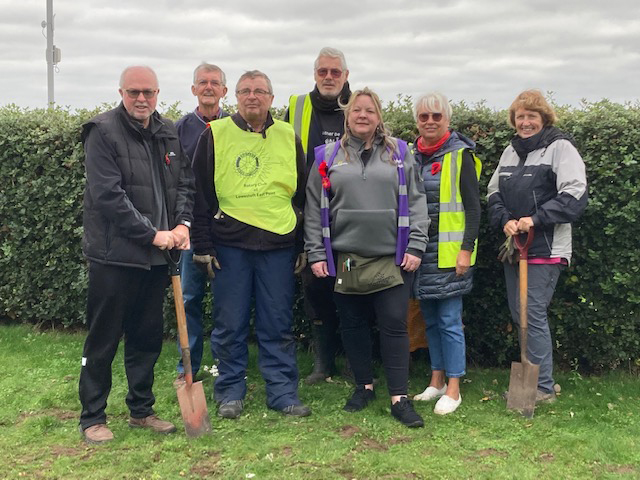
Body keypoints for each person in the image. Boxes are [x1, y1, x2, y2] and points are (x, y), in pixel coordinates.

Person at [79, 66, 195, 444]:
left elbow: (184, 185)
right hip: (115, 257)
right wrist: (152, 234)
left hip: (157, 257)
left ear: (158, 93)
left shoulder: (168, 132)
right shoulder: (102, 131)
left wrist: (182, 226)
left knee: (145, 337)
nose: (141, 99)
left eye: (148, 92)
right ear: (121, 92)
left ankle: (141, 411)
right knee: (104, 338)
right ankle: (92, 416)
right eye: (133, 92)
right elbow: (108, 195)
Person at [305, 87, 429, 428]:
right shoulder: (327, 157)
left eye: (369, 111)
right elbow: (315, 210)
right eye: (357, 110)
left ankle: (399, 398)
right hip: (347, 257)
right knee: (353, 323)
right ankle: (364, 387)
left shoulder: (401, 153)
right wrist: (316, 252)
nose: (363, 115)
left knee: (393, 322)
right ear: (347, 115)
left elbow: (418, 204)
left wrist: (416, 245)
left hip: (393, 256)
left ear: (378, 117)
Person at [191, 70, 311, 419]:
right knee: (231, 324)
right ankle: (230, 392)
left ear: (272, 99)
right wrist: (202, 245)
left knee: (278, 323)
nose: (252, 96)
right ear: (236, 98)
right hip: (230, 246)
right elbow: (199, 196)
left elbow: (302, 195)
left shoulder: (289, 136)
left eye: (260, 91)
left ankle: (283, 393)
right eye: (245, 91)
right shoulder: (214, 134)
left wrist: (302, 244)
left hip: (278, 246)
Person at [487, 89, 587, 403]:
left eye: (532, 116)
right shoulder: (509, 152)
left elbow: (574, 194)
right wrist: (505, 219)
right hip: (516, 246)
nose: (526, 122)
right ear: (514, 120)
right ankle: (540, 379)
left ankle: (542, 387)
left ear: (543, 118)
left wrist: (535, 219)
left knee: (532, 313)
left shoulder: (560, 148)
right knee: (521, 314)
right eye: (520, 116)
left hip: (546, 246)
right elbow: (493, 193)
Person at [410, 93, 481, 415]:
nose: (430, 122)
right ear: (417, 122)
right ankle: (436, 379)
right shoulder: (412, 155)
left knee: (450, 321)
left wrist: (465, 250)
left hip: (451, 256)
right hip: (420, 253)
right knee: (431, 322)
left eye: (436, 116)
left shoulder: (460, 155)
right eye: (424, 117)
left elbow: (474, 209)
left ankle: (454, 386)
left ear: (447, 121)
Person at [284, 47, 351, 384]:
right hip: (309, 215)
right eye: (323, 71)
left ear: (346, 76)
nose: (328, 77)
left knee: (355, 286)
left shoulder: (359, 107)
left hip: (351, 216)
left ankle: (355, 362)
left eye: (335, 72)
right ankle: (324, 364)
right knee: (316, 286)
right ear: (315, 74)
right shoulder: (296, 107)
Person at [174, 63, 229, 384]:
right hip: (190, 228)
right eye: (202, 83)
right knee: (190, 300)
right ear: (194, 89)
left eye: (215, 83)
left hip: (227, 228)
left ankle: (225, 364)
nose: (209, 87)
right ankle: (188, 368)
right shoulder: (180, 129)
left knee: (227, 301)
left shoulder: (235, 127)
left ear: (224, 90)